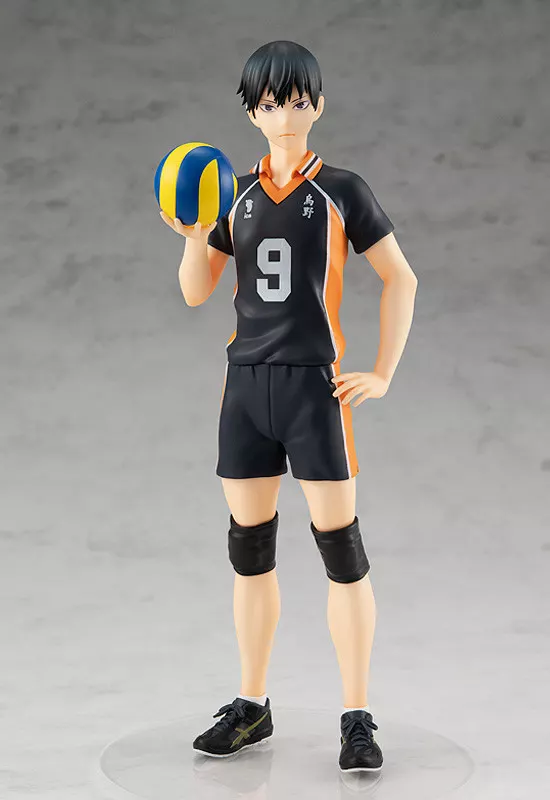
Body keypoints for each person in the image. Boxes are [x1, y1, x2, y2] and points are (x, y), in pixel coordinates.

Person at [160, 40, 418, 774]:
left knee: (342, 551)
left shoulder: (341, 189)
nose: (284, 115)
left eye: (297, 101)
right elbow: (195, 293)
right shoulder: (231, 195)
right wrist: (192, 238)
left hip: (314, 387)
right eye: (271, 103)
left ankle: (357, 715)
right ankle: (252, 703)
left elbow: (401, 278)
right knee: (249, 552)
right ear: (251, 112)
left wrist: (383, 372)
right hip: (246, 386)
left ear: (319, 105)